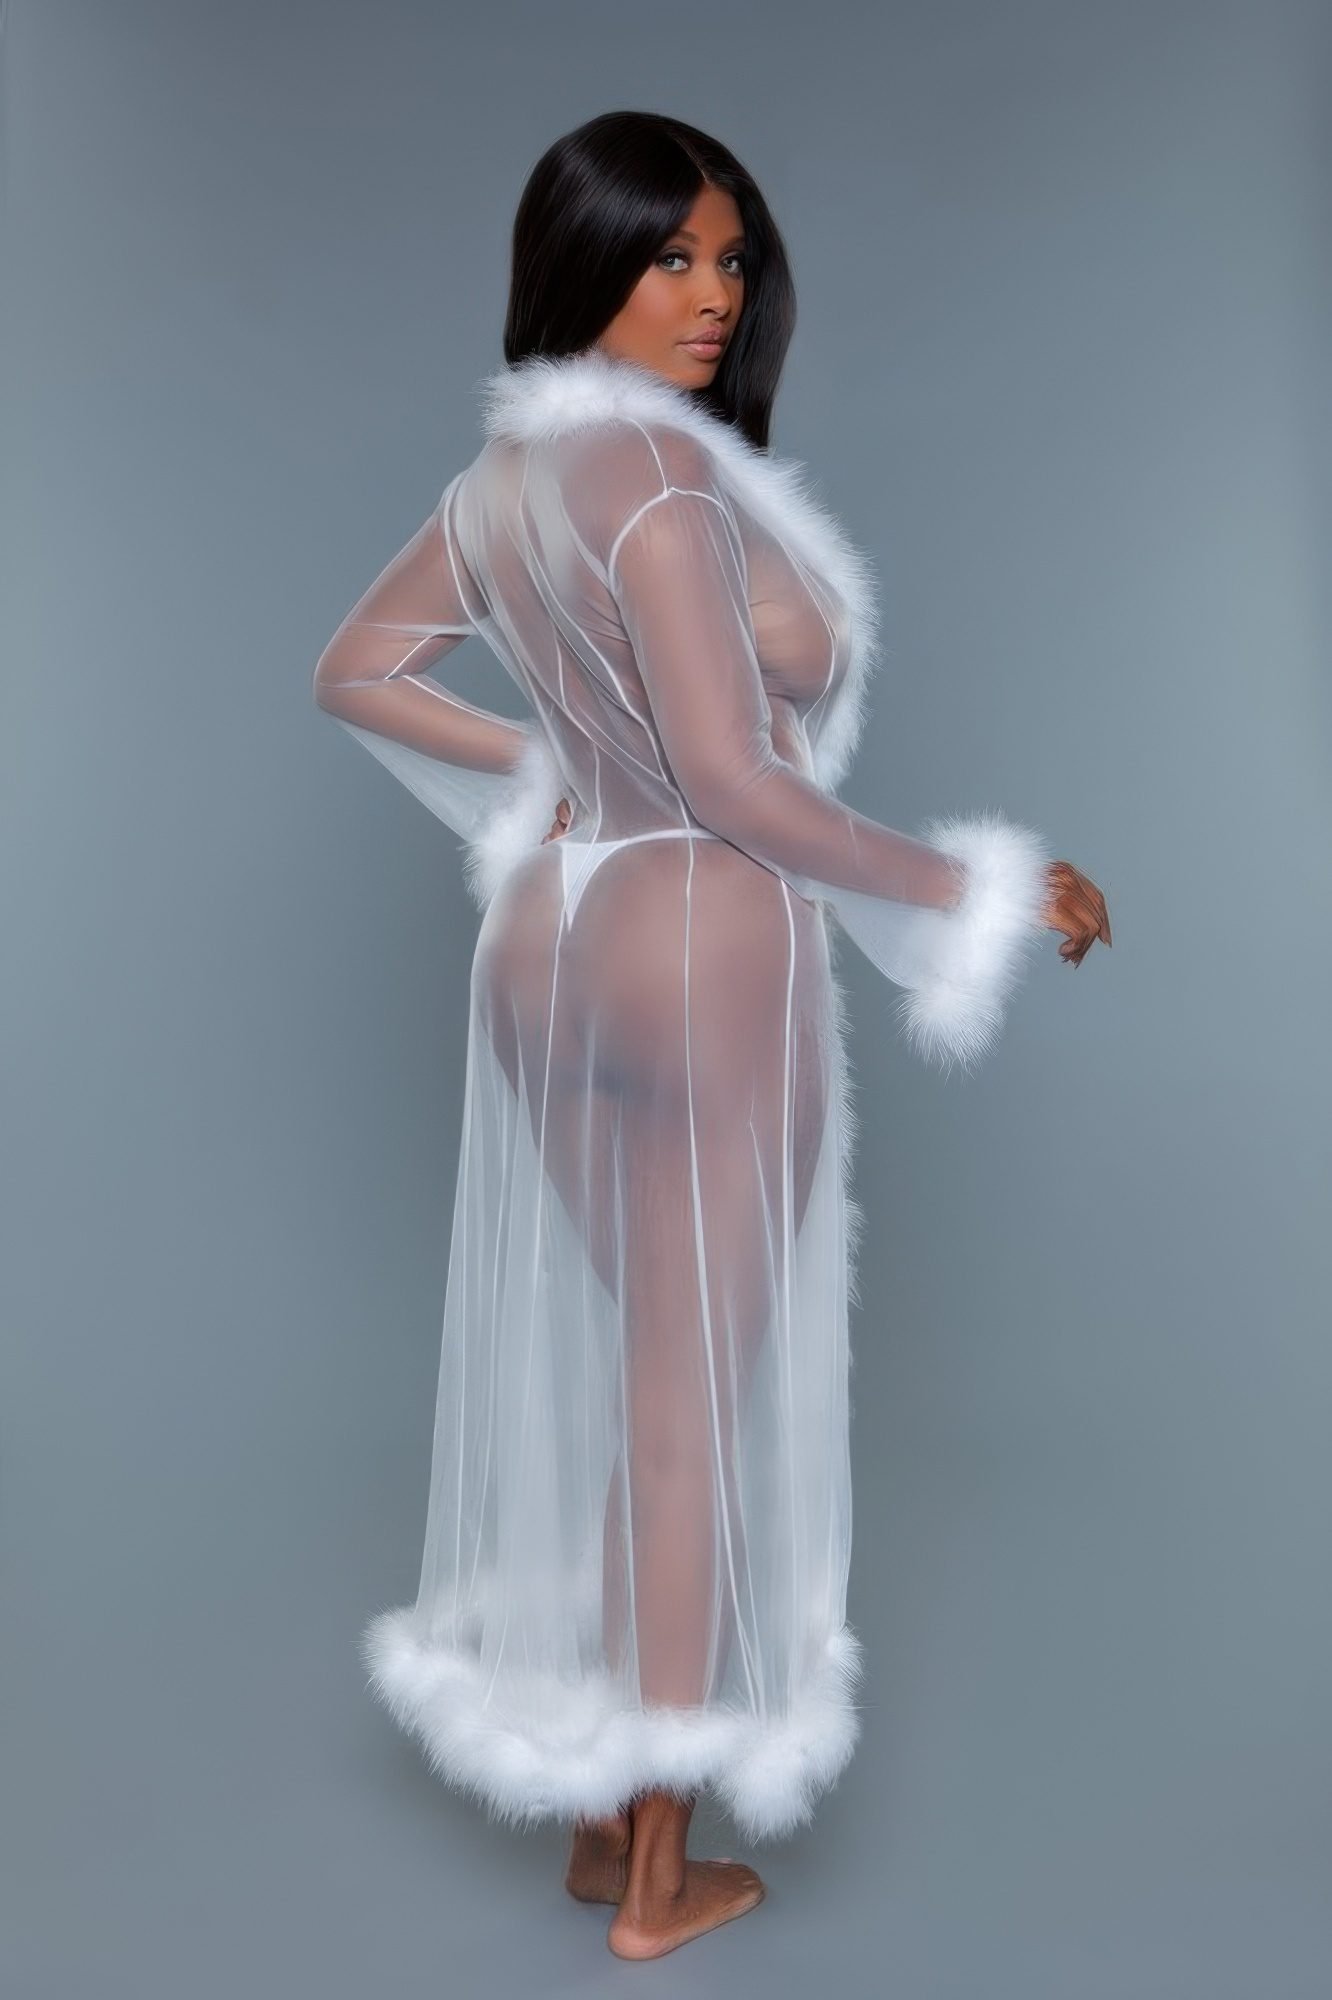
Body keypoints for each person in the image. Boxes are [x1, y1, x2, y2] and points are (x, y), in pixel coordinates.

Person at [312, 110, 1110, 1963]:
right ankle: (660, 1881)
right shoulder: (666, 491)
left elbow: (357, 667)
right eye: (669, 256)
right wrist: (987, 889)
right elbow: (743, 787)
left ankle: (607, 1813)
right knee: (693, 1402)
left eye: (730, 258)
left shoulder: (507, 482)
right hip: (697, 941)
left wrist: (551, 773)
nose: (712, 295)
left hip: (553, 936)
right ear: (581, 261)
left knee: (646, 1376)